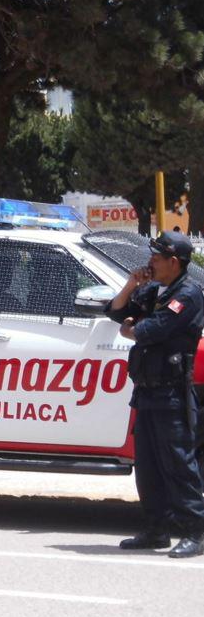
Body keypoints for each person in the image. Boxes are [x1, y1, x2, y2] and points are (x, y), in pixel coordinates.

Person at [106, 231, 204, 558]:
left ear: (173, 262)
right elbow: (117, 312)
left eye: (157, 258)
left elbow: (149, 331)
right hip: (146, 392)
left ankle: (195, 531)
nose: (151, 262)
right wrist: (132, 284)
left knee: (179, 465)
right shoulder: (154, 290)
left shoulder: (187, 294)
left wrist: (132, 328)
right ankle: (155, 530)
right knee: (147, 466)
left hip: (172, 393)